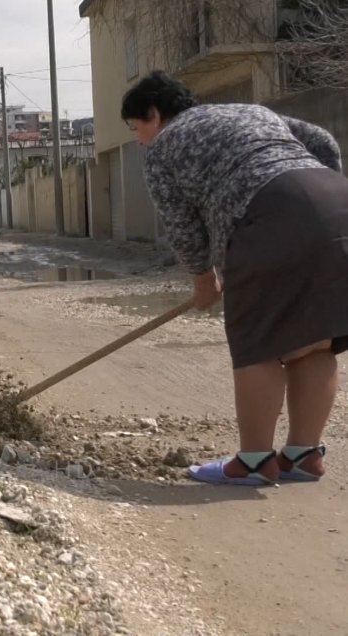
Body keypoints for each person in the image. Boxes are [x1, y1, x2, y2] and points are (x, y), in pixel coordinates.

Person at [121, 71, 348, 486]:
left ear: (154, 114)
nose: (140, 140)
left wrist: (203, 278)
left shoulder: (163, 149)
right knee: (314, 341)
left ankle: (255, 461)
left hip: (268, 214)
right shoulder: (248, 111)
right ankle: (302, 455)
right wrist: (319, 189)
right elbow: (322, 140)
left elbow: (182, 224)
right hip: (336, 202)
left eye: (138, 128)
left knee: (259, 343)